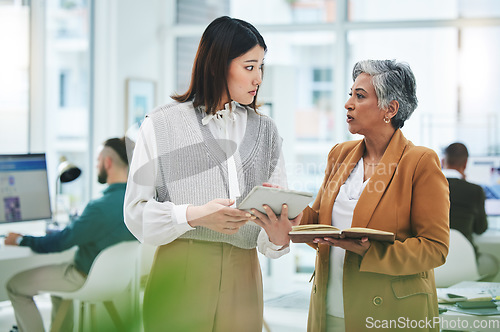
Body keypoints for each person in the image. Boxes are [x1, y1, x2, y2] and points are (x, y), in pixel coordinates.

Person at [124, 16, 300, 332]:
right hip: (180, 269)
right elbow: (135, 213)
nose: (259, 78)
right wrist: (193, 216)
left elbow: (274, 218)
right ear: (218, 65)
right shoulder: (160, 125)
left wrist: (277, 235)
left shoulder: (267, 131)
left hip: (244, 275)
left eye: (262, 67)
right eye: (249, 67)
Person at [299, 60, 450, 331]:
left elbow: (435, 248)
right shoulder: (340, 154)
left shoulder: (420, 161)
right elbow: (320, 222)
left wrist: (372, 251)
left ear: (390, 109)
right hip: (328, 308)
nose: (348, 104)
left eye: (360, 96)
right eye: (350, 94)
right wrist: (288, 212)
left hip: (390, 313)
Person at [5, 137, 137, 332]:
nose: (96, 165)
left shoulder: (98, 208)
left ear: (107, 162)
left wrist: (21, 239)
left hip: (83, 277)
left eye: (97, 160)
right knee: (57, 291)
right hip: (118, 280)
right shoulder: (135, 201)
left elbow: (60, 242)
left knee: (14, 286)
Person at [442, 142, 499, 279]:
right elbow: (480, 228)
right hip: (465, 261)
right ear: (466, 163)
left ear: (443, 161)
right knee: (493, 263)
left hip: (433, 260)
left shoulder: (426, 187)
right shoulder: (475, 190)